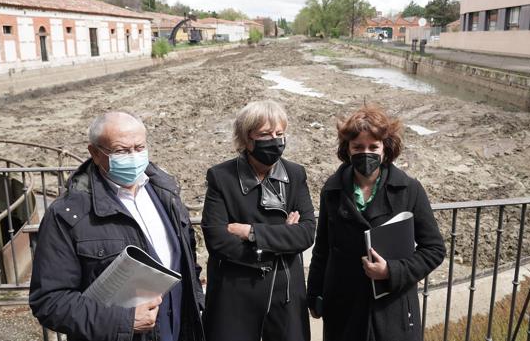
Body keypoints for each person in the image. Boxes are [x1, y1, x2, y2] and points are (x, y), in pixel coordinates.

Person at [29, 112, 205, 341]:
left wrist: (197, 301)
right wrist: (123, 322)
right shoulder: (68, 215)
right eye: (121, 151)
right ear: (94, 153)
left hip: (179, 329)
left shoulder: (165, 191)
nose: (134, 157)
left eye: (140, 147)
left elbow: (187, 259)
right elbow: (49, 301)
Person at [306, 105, 446, 341]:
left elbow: (434, 250)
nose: (365, 153)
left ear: (385, 148)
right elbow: (322, 249)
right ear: (347, 149)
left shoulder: (410, 189)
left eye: (373, 147)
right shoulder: (332, 189)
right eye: (358, 147)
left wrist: (391, 271)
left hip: (392, 308)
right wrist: (314, 294)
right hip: (343, 307)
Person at [201, 100, 315, 341]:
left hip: (285, 294)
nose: (274, 140)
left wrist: (251, 232)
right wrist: (282, 239)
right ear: (247, 138)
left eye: (279, 133)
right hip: (235, 294)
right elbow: (217, 239)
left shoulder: (295, 174)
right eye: (265, 134)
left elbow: (306, 233)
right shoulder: (221, 177)